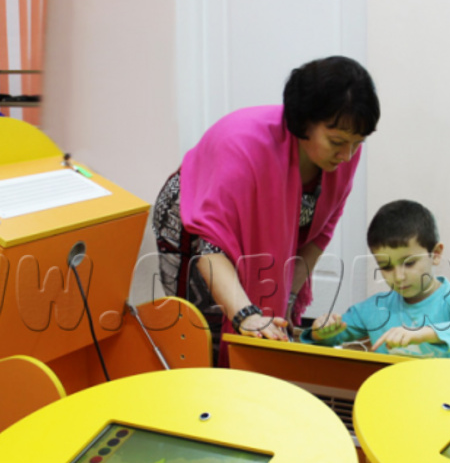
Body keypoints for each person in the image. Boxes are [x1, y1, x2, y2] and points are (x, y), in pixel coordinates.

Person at [151, 56, 380, 359]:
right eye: (337, 142)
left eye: (358, 142)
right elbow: (210, 249)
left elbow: (318, 236)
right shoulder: (242, 150)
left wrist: (286, 301)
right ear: (303, 122)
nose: (347, 155)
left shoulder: (342, 153)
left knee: (268, 327)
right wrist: (246, 315)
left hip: (230, 221)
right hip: (193, 221)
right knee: (206, 333)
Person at [302, 200, 450, 358]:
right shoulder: (375, 309)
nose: (399, 277)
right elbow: (326, 340)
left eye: (409, 263)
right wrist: (321, 331)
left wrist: (421, 334)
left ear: (435, 254)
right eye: (386, 267)